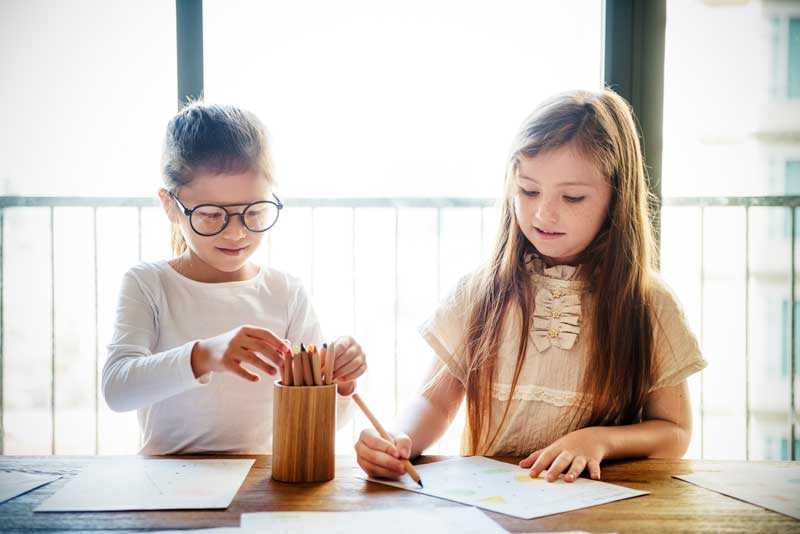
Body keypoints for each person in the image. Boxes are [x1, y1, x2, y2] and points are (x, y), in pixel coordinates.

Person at [355, 89, 706, 482]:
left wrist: (598, 441)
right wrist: (397, 440)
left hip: (602, 510)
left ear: (617, 197)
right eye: (528, 190)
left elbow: (675, 432)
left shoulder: (649, 303)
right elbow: (434, 402)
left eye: (572, 197)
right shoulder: (481, 291)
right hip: (492, 508)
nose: (543, 212)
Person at [103, 102, 366, 454]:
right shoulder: (148, 284)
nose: (237, 233)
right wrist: (204, 355)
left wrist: (341, 383)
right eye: (212, 215)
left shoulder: (284, 292)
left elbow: (325, 422)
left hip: (266, 484)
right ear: (169, 205)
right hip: (166, 488)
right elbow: (117, 390)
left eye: (255, 212)